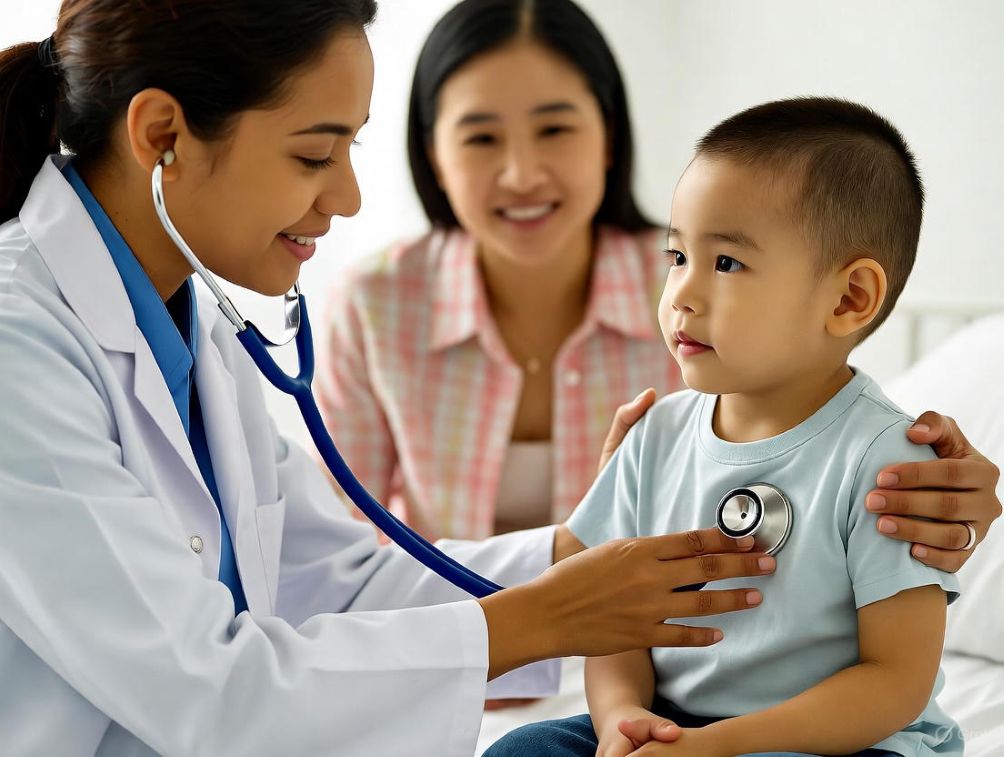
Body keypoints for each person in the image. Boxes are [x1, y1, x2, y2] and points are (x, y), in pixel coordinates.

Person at [0, 3, 996, 757]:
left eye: (351, 147)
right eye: (315, 152)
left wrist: (602, 542)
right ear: (163, 136)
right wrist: (565, 616)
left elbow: (332, 580)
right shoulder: (21, 340)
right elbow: (205, 684)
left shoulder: (187, 323)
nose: (348, 195)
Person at [486, 98, 971, 757]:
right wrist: (624, 719)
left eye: (726, 263)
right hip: (677, 722)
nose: (682, 294)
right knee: (525, 749)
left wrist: (718, 746)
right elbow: (615, 629)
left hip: (844, 740)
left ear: (848, 298)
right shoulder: (653, 437)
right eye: (677, 256)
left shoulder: (887, 463)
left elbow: (895, 682)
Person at [317, 0, 682, 541]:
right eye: (482, 138)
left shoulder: (694, 289)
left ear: (608, 135)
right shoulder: (373, 304)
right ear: (435, 157)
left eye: (554, 129)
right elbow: (336, 542)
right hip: (436, 600)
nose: (521, 175)